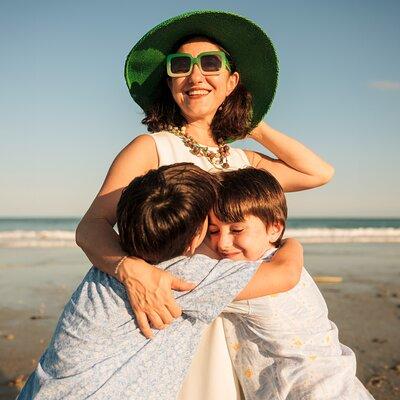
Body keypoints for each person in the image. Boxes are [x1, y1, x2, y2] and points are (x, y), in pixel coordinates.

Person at [75, 10, 334, 399]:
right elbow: (90, 226)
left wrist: (253, 123)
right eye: (180, 66)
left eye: (210, 64)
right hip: (170, 304)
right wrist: (130, 271)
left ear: (232, 81)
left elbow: (318, 173)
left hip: (237, 310)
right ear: (170, 82)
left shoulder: (243, 161)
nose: (195, 76)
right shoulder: (151, 147)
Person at [17, 163, 303, 400]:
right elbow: (285, 273)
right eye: (210, 228)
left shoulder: (106, 265)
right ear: (194, 240)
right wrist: (289, 241)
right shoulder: (185, 276)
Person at [205, 167, 374, 399]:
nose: (222, 243)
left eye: (236, 229)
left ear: (275, 228)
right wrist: (292, 243)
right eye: (212, 231)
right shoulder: (279, 258)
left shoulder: (248, 276)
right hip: (342, 386)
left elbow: (177, 288)